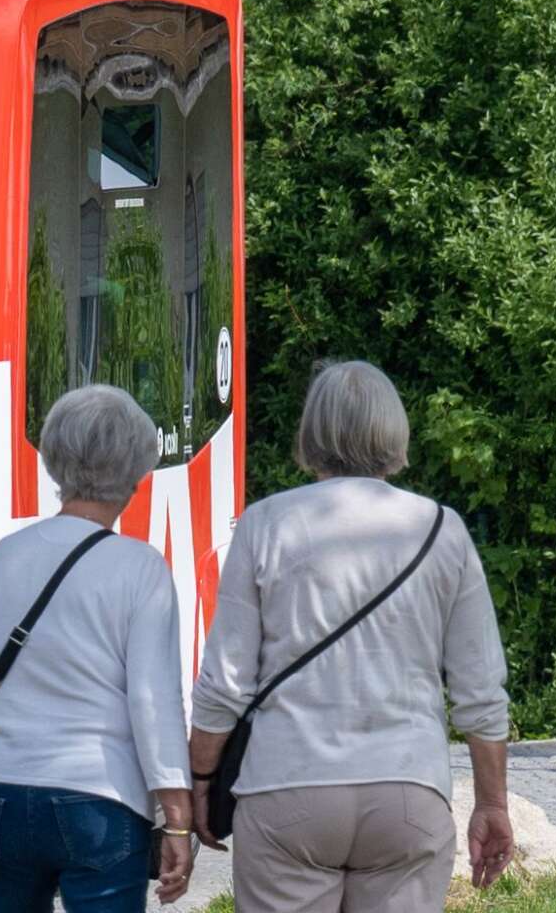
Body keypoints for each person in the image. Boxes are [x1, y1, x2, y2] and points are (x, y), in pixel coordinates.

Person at [188, 360, 514, 912]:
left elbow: (225, 683)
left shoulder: (264, 525)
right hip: (409, 791)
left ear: (311, 432)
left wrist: (199, 781)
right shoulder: (442, 529)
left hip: (287, 789)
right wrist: (492, 804)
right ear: (394, 431)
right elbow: (480, 693)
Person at [0, 384, 196, 912]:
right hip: (100, 797)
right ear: (137, 474)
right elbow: (153, 703)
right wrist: (177, 819)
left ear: (52, 463)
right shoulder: (141, 569)